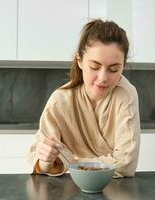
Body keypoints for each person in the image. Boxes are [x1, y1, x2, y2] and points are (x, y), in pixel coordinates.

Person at [27, 19, 140, 178]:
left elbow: (126, 163)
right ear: (79, 61)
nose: (103, 78)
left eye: (114, 70)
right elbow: (43, 162)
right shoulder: (60, 101)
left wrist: (72, 162)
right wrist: (46, 160)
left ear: (123, 66)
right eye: (94, 67)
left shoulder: (125, 95)